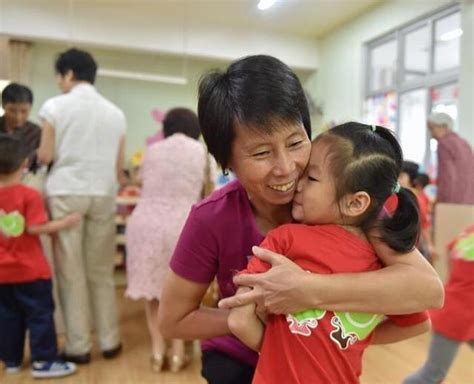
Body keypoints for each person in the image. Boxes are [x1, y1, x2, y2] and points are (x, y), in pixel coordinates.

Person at [158, 55, 443, 384]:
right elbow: (173, 320)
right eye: (261, 153)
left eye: (296, 143)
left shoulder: (346, 206)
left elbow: (428, 291)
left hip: (324, 364)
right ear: (226, 161)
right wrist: (266, 317)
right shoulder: (211, 218)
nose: (287, 167)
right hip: (236, 358)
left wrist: (309, 294)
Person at [228, 123, 431, 383]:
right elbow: (418, 324)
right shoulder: (383, 263)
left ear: (355, 202)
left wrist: (283, 350)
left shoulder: (285, 238)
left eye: (311, 178)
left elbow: (239, 320)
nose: (297, 184)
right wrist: (354, 340)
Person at [36, 48, 126, 364]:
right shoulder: (116, 113)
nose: (60, 83)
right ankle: (110, 340)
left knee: (71, 273)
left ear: (69, 74)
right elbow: (118, 169)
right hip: (103, 193)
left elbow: (45, 155)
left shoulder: (54, 107)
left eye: (60, 77)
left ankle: (78, 346)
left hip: (65, 193)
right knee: (101, 271)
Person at [126, 108, 209, 373]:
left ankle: (157, 353)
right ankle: (177, 354)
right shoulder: (201, 152)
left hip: (146, 222)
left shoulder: (153, 150)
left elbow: (139, 179)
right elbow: (209, 191)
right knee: (182, 293)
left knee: (152, 292)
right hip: (183, 224)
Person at [0, 135, 79, 379]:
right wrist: (65, 222)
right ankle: (44, 361)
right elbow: (34, 228)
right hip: (31, 272)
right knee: (40, 316)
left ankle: (11, 359)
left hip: (2, 275)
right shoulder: (29, 195)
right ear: (24, 163)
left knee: (7, 318)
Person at [404, 225, 474, 384]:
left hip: (456, 306)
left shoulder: (468, 232)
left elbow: (450, 248)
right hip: (459, 316)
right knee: (431, 375)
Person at [427, 113, 474, 204]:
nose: (432, 134)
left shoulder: (444, 144)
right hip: (470, 198)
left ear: (444, 127)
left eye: (432, 129)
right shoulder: (464, 143)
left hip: (451, 199)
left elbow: (447, 176)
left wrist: (441, 200)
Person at [399, 161, 437, 262]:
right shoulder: (397, 195)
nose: (397, 180)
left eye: (401, 177)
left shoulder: (415, 198)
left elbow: (424, 223)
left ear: (412, 180)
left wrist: (429, 245)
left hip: (408, 246)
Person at [1, 83, 41, 173]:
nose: (18, 117)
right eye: (12, 110)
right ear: (3, 105)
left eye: (24, 111)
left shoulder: (36, 132)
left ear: (30, 108)